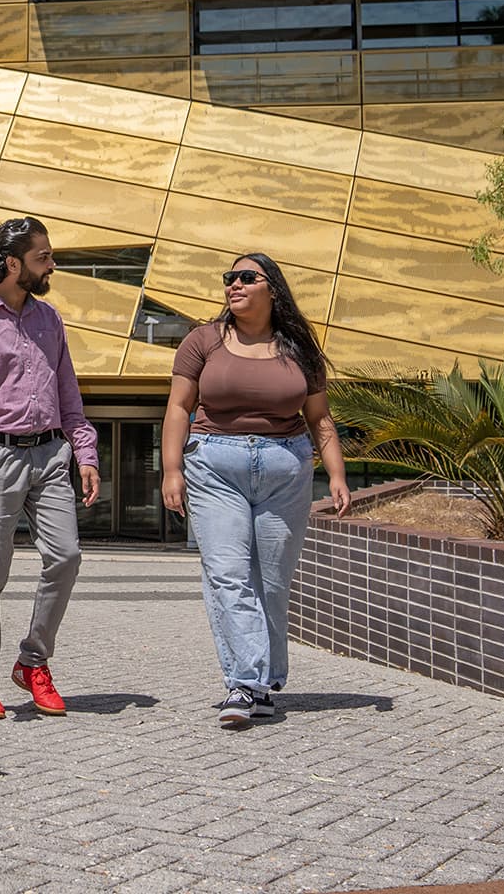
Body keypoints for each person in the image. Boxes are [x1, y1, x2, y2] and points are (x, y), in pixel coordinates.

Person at [162, 251, 350, 727]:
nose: (234, 285)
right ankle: (246, 682)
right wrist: (171, 470)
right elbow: (179, 409)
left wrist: (338, 475)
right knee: (228, 572)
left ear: (272, 288)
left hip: (285, 470)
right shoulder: (202, 341)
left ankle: (265, 680)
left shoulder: (298, 350)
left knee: (272, 580)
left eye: (247, 277)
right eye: (229, 278)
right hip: (214, 466)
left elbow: (319, 418)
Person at [0, 217, 100, 720]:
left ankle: (33, 662)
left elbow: (68, 394)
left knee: (66, 556)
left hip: (51, 453)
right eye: (43, 257)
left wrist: (85, 451)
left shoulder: (50, 319)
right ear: (12, 263)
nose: (52, 265)